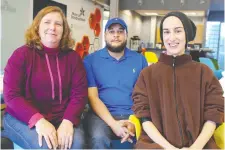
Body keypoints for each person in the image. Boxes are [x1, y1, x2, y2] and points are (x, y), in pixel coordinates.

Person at [132, 11, 224, 149]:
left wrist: (195, 148)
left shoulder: (204, 73)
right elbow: (144, 117)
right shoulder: (147, 75)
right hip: (156, 145)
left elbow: (214, 113)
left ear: (187, 34)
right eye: (166, 32)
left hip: (200, 145)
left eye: (178, 31)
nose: (172, 37)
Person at [2, 6, 87, 149]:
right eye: (47, 22)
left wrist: (68, 121)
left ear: (64, 30)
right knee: (47, 146)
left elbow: (79, 94)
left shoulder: (73, 58)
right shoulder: (21, 55)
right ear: (37, 27)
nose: (52, 28)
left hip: (62, 118)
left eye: (58, 24)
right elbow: (11, 95)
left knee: (76, 144)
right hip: (22, 118)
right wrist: (39, 121)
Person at [83, 17, 148, 149]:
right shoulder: (90, 60)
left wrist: (133, 121)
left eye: (120, 31)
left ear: (126, 35)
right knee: (99, 137)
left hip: (131, 113)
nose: (116, 35)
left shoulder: (140, 60)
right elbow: (92, 97)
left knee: (146, 136)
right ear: (105, 35)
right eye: (111, 31)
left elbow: (143, 96)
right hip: (100, 116)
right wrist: (113, 124)